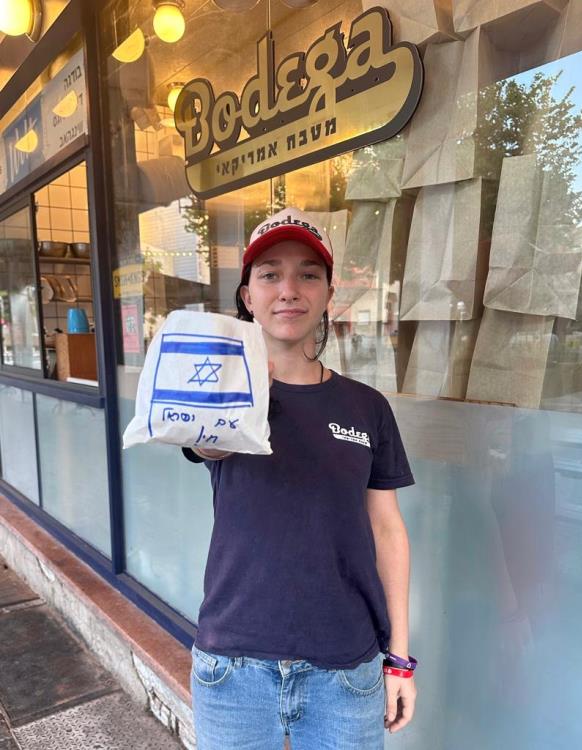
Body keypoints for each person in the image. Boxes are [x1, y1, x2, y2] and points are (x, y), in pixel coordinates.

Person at [182, 207, 417, 750]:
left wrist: (399, 657)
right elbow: (207, 443)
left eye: (308, 274)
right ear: (247, 296)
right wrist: (243, 389)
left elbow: (388, 531)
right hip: (233, 665)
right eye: (270, 274)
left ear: (330, 293)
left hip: (346, 670)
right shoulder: (223, 393)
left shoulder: (368, 407)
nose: (289, 289)